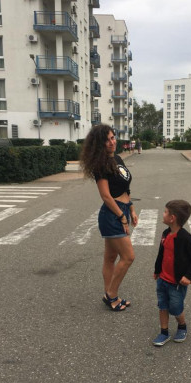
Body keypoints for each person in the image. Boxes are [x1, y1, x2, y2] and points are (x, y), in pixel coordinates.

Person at [80, 124, 138, 311]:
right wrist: (122, 216)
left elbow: (125, 187)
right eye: (107, 140)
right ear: (99, 144)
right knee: (128, 257)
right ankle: (111, 295)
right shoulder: (101, 165)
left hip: (122, 209)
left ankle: (111, 294)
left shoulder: (118, 158)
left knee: (110, 257)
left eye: (113, 137)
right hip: (112, 214)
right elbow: (105, 196)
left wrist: (131, 209)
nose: (112, 142)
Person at [152, 200, 191, 346]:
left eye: (165, 212)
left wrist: (188, 275)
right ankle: (164, 332)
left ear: (172, 218)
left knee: (175, 308)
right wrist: (157, 270)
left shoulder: (185, 238)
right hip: (162, 279)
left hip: (177, 283)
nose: (163, 214)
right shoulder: (165, 233)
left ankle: (182, 326)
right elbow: (161, 253)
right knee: (162, 305)